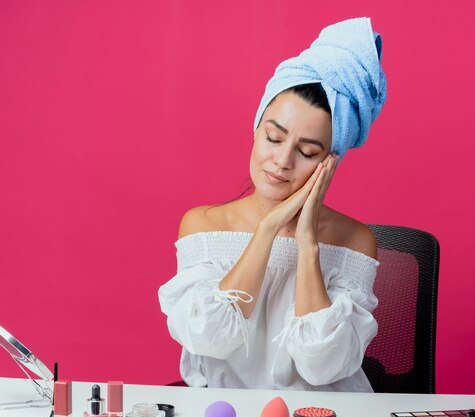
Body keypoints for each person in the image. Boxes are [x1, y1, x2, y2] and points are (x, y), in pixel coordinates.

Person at [158, 17, 387, 392]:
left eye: (307, 151)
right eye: (273, 137)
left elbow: (322, 366)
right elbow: (210, 339)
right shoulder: (202, 225)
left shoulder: (354, 241)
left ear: (330, 161)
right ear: (256, 129)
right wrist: (267, 229)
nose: (282, 161)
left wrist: (307, 243)